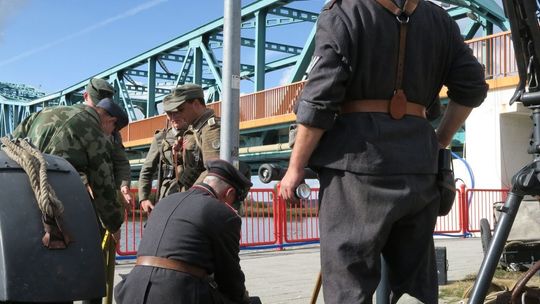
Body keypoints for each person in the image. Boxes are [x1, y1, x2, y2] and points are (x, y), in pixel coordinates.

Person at [279, 0, 489, 303]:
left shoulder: (345, 11)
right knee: (415, 288)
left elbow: (320, 96)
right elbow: (472, 85)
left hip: (355, 168)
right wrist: (438, 141)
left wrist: (295, 168)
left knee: (348, 284)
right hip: (420, 166)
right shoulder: (438, 18)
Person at [114, 159, 253, 304]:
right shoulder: (222, 213)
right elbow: (229, 278)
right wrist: (244, 299)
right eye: (234, 202)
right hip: (175, 295)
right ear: (229, 193)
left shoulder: (164, 202)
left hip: (131, 292)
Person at [11, 98, 130, 238]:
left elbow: (12, 142)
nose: (109, 135)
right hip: (58, 198)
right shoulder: (95, 132)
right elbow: (103, 186)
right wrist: (114, 225)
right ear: (111, 121)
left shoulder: (46, 111)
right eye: (113, 131)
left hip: (19, 192)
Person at [84, 77, 134, 208]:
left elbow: (120, 160)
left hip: (105, 194)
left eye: (104, 110)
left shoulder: (113, 132)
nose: (99, 113)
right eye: (96, 106)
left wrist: (124, 186)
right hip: (79, 193)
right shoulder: (74, 125)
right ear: (85, 97)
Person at [163, 83, 221, 191]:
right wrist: (179, 155)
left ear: (195, 104)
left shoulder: (211, 129)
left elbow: (213, 171)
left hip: (202, 198)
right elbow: (193, 165)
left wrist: (191, 195)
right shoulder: (194, 130)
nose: (178, 115)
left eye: (181, 110)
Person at [138, 94, 188, 213]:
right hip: (168, 196)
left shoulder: (197, 134)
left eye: (177, 112)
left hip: (192, 195)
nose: (174, 117)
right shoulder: (161, 138)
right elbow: (147, 169)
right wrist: (143, 198)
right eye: (170, 113)